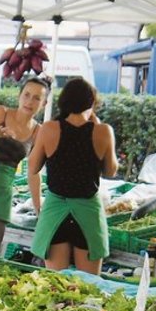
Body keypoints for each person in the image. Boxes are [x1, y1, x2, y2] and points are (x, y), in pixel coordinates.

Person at [28, 78, 118, 273]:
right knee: (89, 285)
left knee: (56, 283)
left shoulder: (49, 129)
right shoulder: (103, 132)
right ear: (91, 103)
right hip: (88, 213)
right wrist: (97, 123)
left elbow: (33, 166)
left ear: (64, 101)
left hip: (55, 212)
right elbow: (111, 171)